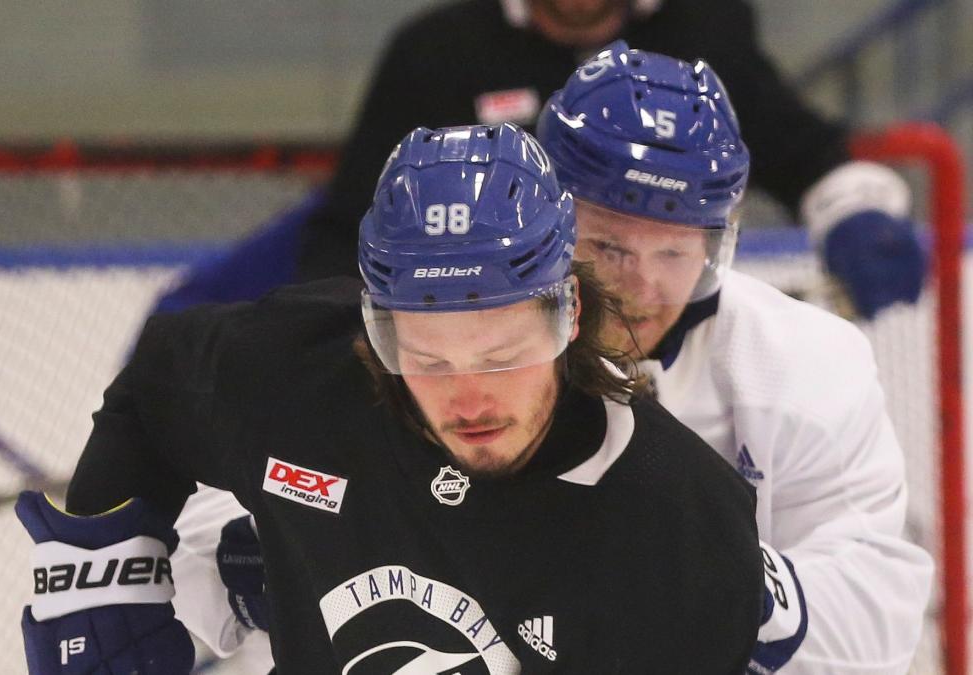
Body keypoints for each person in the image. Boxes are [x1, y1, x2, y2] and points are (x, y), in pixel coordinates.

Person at [205, 44, 936, 673]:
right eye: (609, 245)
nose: (641, 286)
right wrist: (244, 557)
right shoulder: (432, 339)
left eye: (676, 251)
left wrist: (726, 579)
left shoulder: (803, 367)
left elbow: (880, 623)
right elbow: (213, 514)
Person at [15, 122, 766, 673]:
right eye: (428, 357)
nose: (468, 398)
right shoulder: (298, 374)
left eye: (503, 357)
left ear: (569, 312)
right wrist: (99, 563)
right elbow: (156, 390)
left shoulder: (681, 531)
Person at [297, 0, 926, 322]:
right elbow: (356, 219)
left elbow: (794, 146)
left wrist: (857, 213)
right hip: (495, 338)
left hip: (663, 329)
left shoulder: (704, 25)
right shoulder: (437, 50)